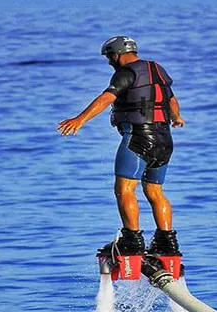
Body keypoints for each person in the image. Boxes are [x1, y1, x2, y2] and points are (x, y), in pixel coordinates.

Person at [58, 36, 185, 255]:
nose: (109, 61)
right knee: (155, 191)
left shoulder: (126, 73)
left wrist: (80, 119)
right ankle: (167, 243)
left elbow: (106, 98)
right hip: (165, 139)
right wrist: (177, 117)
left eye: (109, 56)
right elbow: (171, 99)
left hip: (138, 137)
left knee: (124, 189)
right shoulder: (158, 70)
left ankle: (132, 241)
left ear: (117, 54)